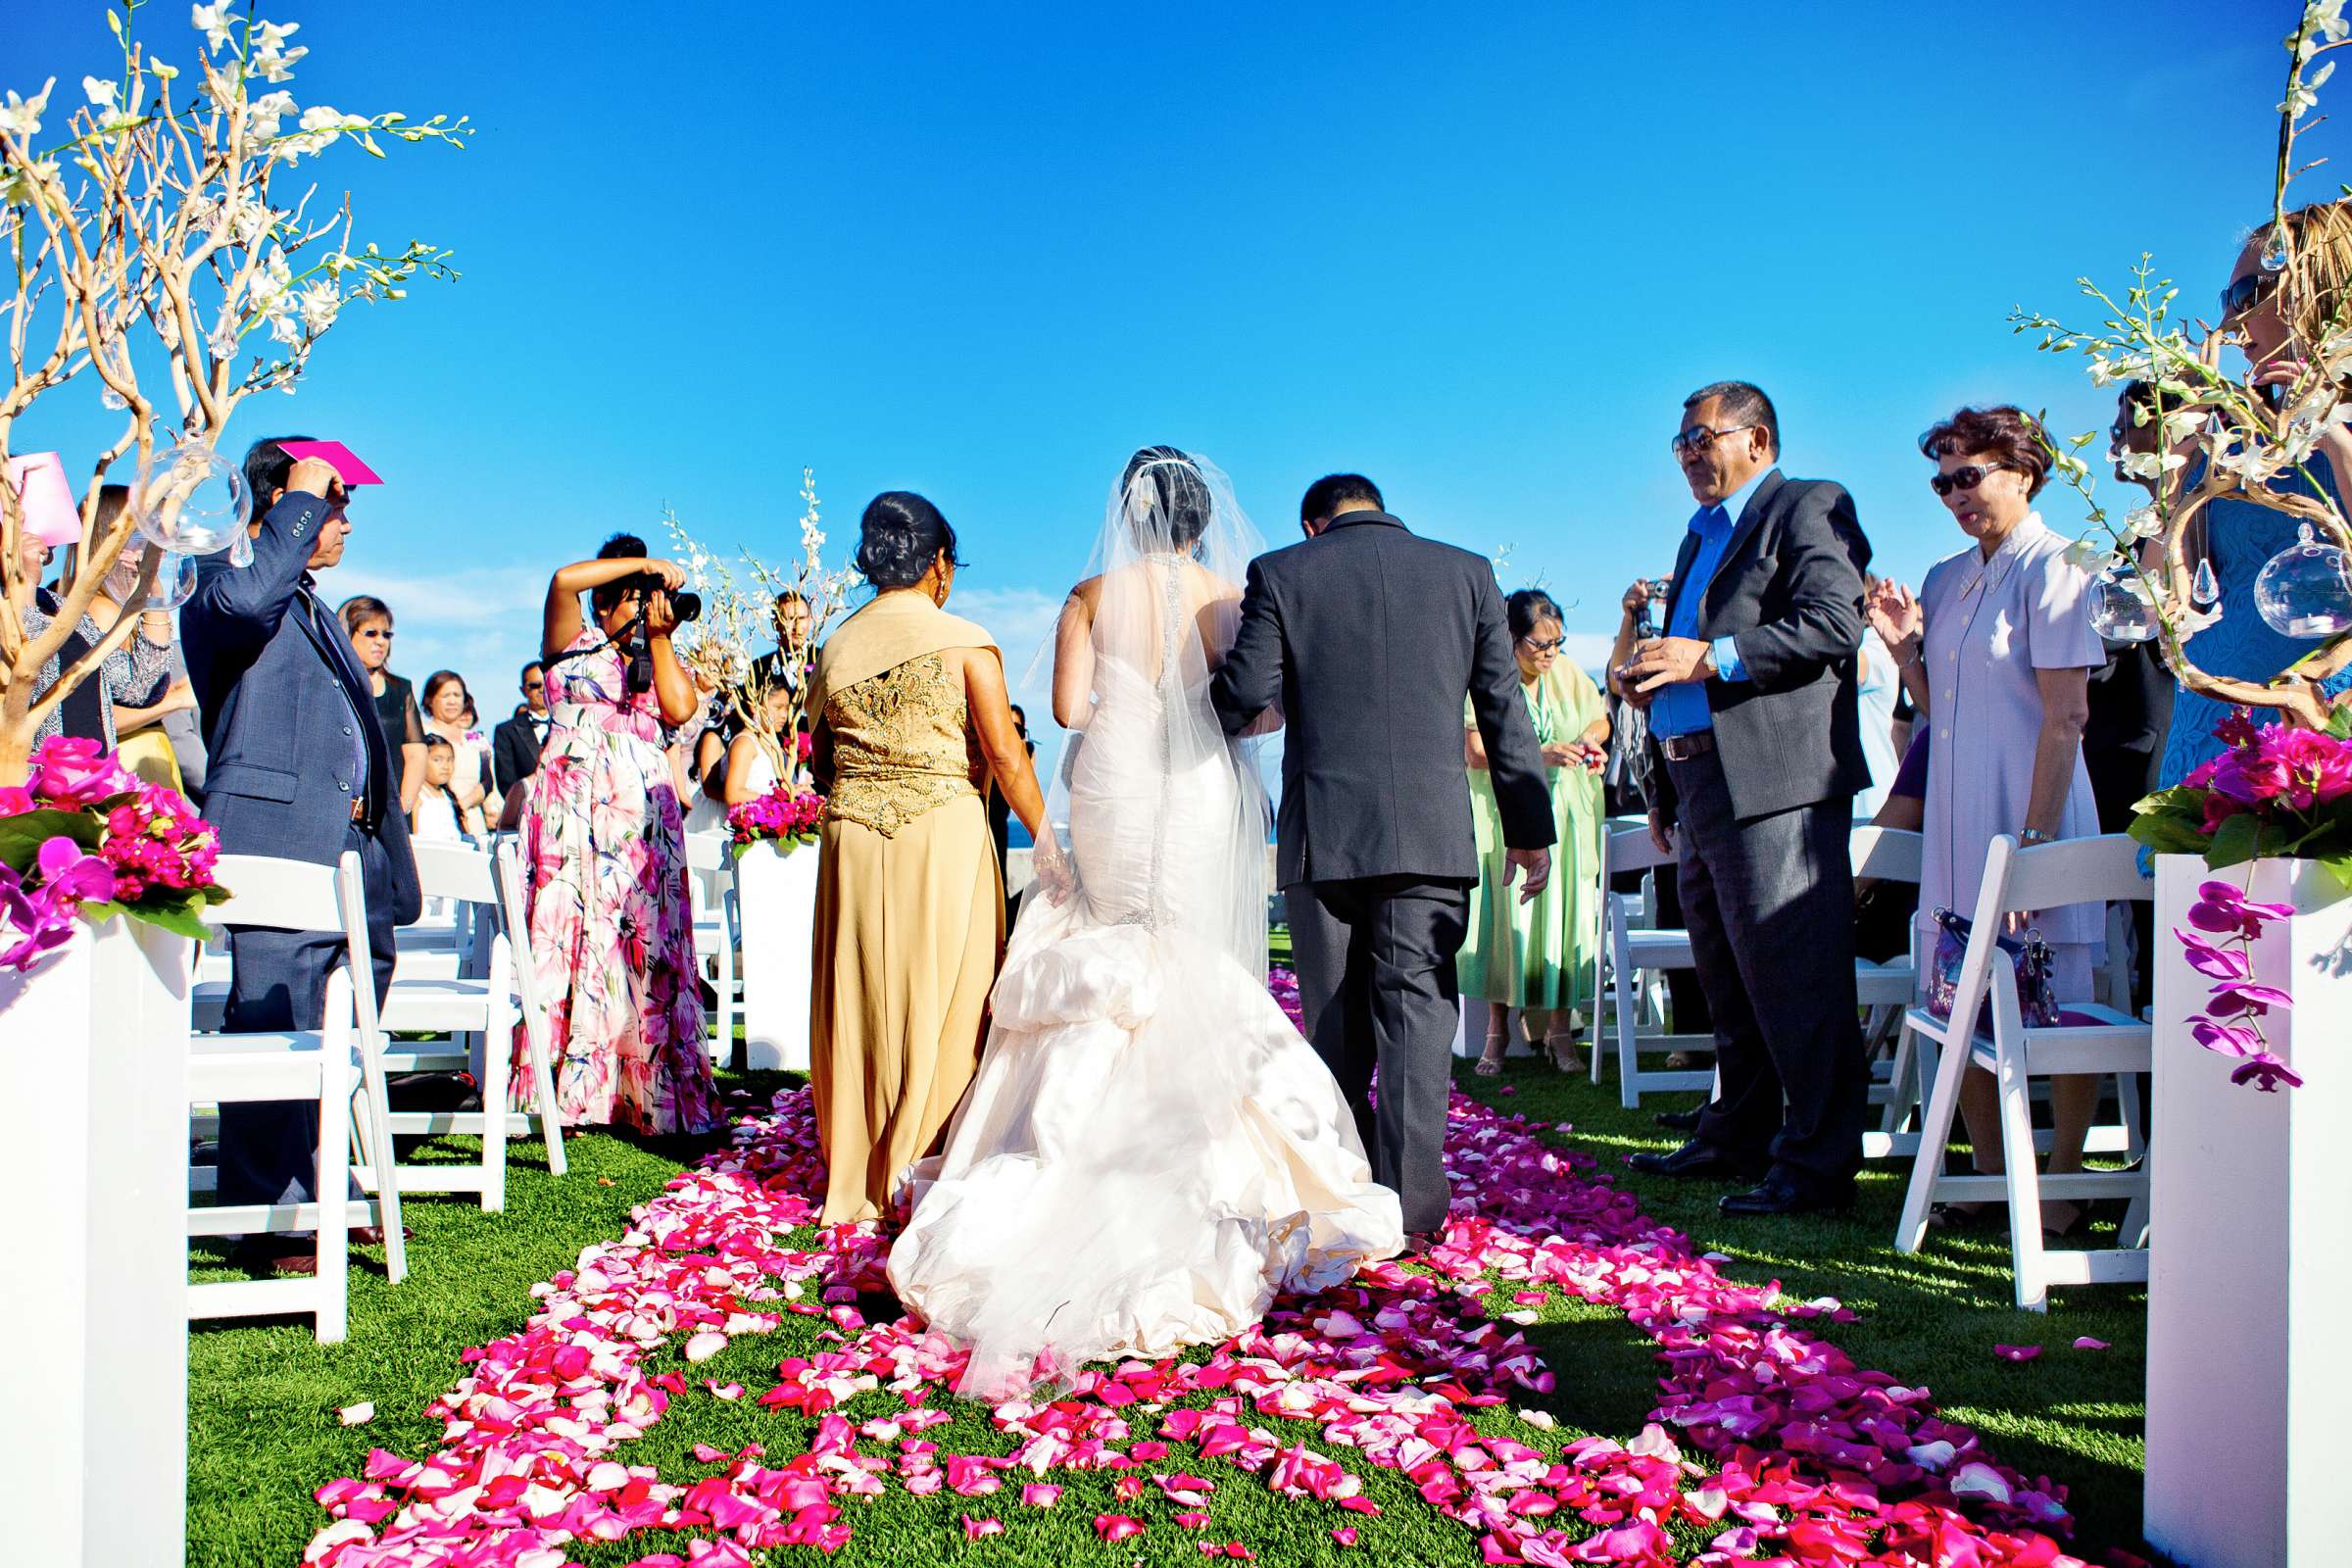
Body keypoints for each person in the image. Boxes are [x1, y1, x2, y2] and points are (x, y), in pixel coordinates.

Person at [892, 449, 1400, 1396]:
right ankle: (1209, 1156)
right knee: (1190, 952)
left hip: (1118, 781)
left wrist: (1127, 698)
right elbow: (1257, 706)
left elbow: (1066, 706)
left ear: (1128, 513)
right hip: (1200, 783)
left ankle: (1071, 1151)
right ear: (1202, 518)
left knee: (1116, 941)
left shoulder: (1091, 590)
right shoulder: (1231, 589)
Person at [1207, 470, 1552, 1243]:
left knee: (1334, 1027)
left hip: (1324, 832)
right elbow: (1503, 708)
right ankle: (1413, 1210)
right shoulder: (1468, 573)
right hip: (1430, 834)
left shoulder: (1282, 573)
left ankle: (1344, 1194)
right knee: (1418, 1021)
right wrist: (1529, 827)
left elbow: (1243, 693)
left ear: (1312, 525)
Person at [1618, 380, 1871, 1218]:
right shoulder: (1698, 535)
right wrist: (1662, 775)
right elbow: (1681, 664)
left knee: (1795, 975)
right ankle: (1737, 1133)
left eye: (1703, 437)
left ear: (1757, 440)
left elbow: (1834, 623)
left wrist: (1710, 658)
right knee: (1727, 974)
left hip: (1776, 782)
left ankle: (1817, 1164)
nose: (1690, 453)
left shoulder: (1807, 505)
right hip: (1695, 779)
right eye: (1682, 442)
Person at [181, 436, 421, 1274]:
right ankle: (265, 1216)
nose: (343, 519)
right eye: (331, 502)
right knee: (274, 1019)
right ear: (283, 502)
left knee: (334, 1036)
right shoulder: (224, 575)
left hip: (346, 851)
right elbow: (246, 606)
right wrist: (299, 498)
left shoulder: (313, 603)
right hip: (275, 836)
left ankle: (316, 1192)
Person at [1867, 405, 2105, 1234]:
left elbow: (2065, 716)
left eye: (1969, 475)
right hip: (1958, 819)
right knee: (1951, 994)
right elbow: (1944, 718)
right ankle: (1997, 1180)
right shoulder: (1941, 578)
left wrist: (2035, 850)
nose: (1954, 494)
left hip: (2038, 805)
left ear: (2023, 471)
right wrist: (1903, 654)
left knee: (2064, 988)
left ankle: (2067, 1181)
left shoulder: (2062, 566)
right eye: (1942, 481)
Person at [807, 492, 1047, 1226]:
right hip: (940, 832)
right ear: (939, 564)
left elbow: (819, 764)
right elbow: (1005, 752)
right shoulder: (964, 638)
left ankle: (858, 1165)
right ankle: (926, 1157)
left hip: (852, 835)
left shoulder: (835, 647)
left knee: (860, 993)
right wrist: (1051, 844)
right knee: (949, 992)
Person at [515, 533, 721, 1136]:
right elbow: (561, 579)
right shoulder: (569, 645)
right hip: (571, 815)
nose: (640, 608)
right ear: (604, 605)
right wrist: (645, 566)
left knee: (642, 944)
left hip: (639, 826)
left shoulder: (657, 653)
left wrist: (659, 636)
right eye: (629, 600)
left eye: (647, 598)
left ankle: (642, 1091)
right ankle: (564, 1090)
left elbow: (679, 711)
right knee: (572, 938)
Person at [2157, 201, 2352, 782]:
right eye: (2227, 302)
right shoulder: (2234, 446)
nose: (2230, 325)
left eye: (2248, 294)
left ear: (2319, 288)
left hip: (2320, 722)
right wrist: (2178, 463)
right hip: (2212, 723)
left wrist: (2335, 438)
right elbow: (2165, 599)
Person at [1461, 587, 1608, 1075]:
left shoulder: (1565, 672)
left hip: (1567, 813)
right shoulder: (1486, 675)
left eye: (1557, 643)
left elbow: (1599, 719)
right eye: (1538, 644)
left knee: (1565, 919)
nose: (1549, 653)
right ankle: (1497, 1030)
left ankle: (1560, 1031)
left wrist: (1588, 743)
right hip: (1508, 812)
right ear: (1510, 637)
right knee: (1511, 921)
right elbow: (1475, 751)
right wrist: (1542, 754)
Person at [10, 483, 175, 750]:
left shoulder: (62, 607)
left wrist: (151, 587)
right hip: (29, 785)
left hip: (90, 782)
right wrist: (25, 587)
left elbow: (141, 689)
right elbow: (30, 677)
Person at [340, 594, 425, 814]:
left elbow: (416, 753)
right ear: (346, 633)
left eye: (386, 635)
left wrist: (403, 805)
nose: (381, 641)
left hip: (389, 812)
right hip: (340, 809)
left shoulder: (401, 690)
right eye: (371, 633)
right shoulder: (333, 684)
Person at [419, 670, 492, 837]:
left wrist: (465, 803)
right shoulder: (421, 732)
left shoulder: (475, 739)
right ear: (430, 699)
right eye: (445, 695)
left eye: (457, 695)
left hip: (473, 821)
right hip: (436, 818)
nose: (452, 701)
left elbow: (488, 780)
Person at [492, 661, 551, 799]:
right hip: (528, 809)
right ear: (523, 690)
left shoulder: (569, 723)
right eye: (535, 685)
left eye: (546, 682)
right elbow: (507, 784)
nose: (542, 689)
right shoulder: (506, 731)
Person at [410, 734, 465, 842]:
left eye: (450, 760)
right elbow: (414, 836)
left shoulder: (447, 795)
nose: (446, 766)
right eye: (437, 760)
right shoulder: (417, 795)